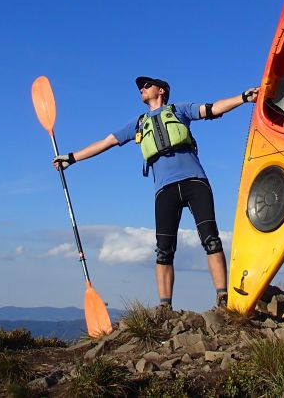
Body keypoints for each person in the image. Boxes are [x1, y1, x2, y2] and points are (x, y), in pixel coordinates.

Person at [53, 76, 259, 310]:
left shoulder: (179, 110)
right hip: (165, 189)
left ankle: (223, 298)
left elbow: (211, 109)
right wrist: (71, 158)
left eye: (146, 85)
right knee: (163, 250)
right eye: (141, 86)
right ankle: (164, 307)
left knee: (211, 239)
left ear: (161, 90)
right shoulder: (138, 123)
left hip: (195, 182)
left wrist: (243, 98)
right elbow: (105, 143)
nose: (142, 88)